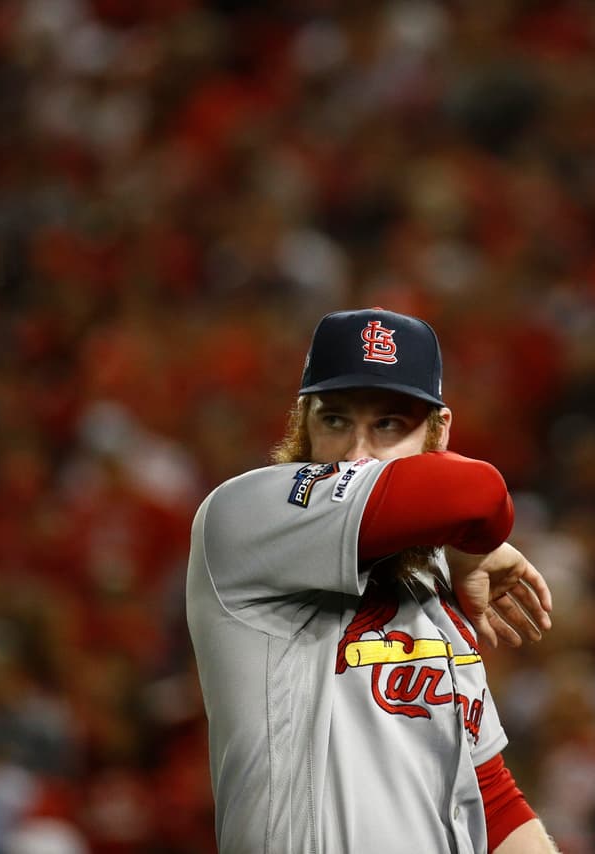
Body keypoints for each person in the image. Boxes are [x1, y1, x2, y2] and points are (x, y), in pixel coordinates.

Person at [186, 307, 559, 853]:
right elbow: (479, 495)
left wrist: (457, 549)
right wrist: (476, 543)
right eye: (335, 420)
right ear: (302, 421)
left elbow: (490, 799)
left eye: (389, 424)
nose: (357, 454)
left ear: (439, 431)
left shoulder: (434, 575)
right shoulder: (244, 517)